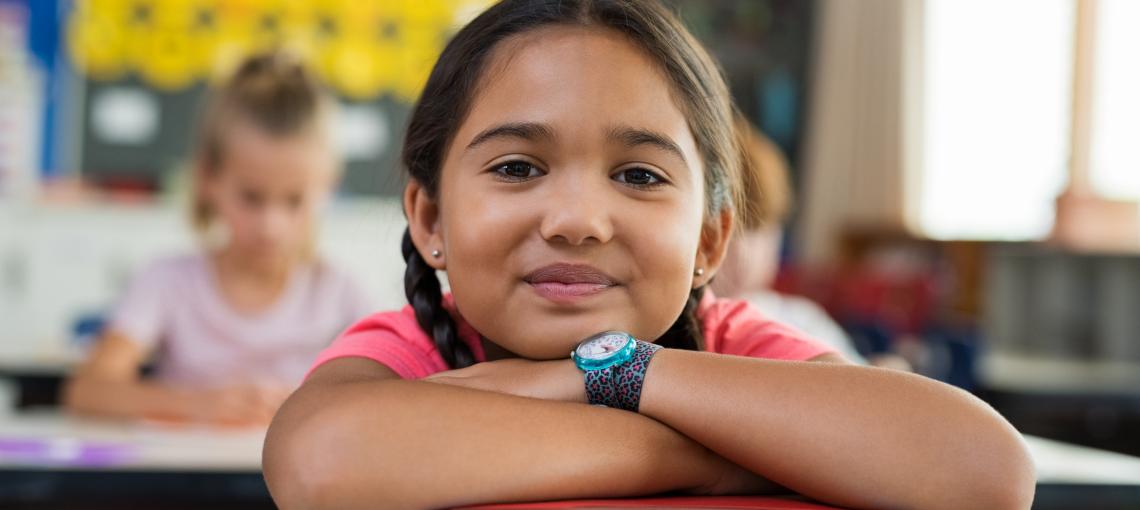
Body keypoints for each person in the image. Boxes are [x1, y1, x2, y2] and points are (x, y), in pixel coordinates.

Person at [263, 1, 1035, 508]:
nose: (577, 222)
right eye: (517, 167)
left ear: (709, 240)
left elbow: (986, 475)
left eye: (638, 175)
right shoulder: (408, 352)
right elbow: (319, 462)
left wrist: (618, 371)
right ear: (430, 217)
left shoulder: (734, 346)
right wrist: (707, 456)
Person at [63, 51, 373, 427]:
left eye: (294, 201)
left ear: (327, 188)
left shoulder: (339, 292)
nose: (270, 226)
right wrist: (195, 405)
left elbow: (392, 397)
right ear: (209, 179)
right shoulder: (168, 281)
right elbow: (88, 391)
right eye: (251, 198)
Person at [712, 116, 913, 370]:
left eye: (757, 229)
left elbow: (863, 377)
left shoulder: (799, 317)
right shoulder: (686, 332)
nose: (743, 252)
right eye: (727, 232)